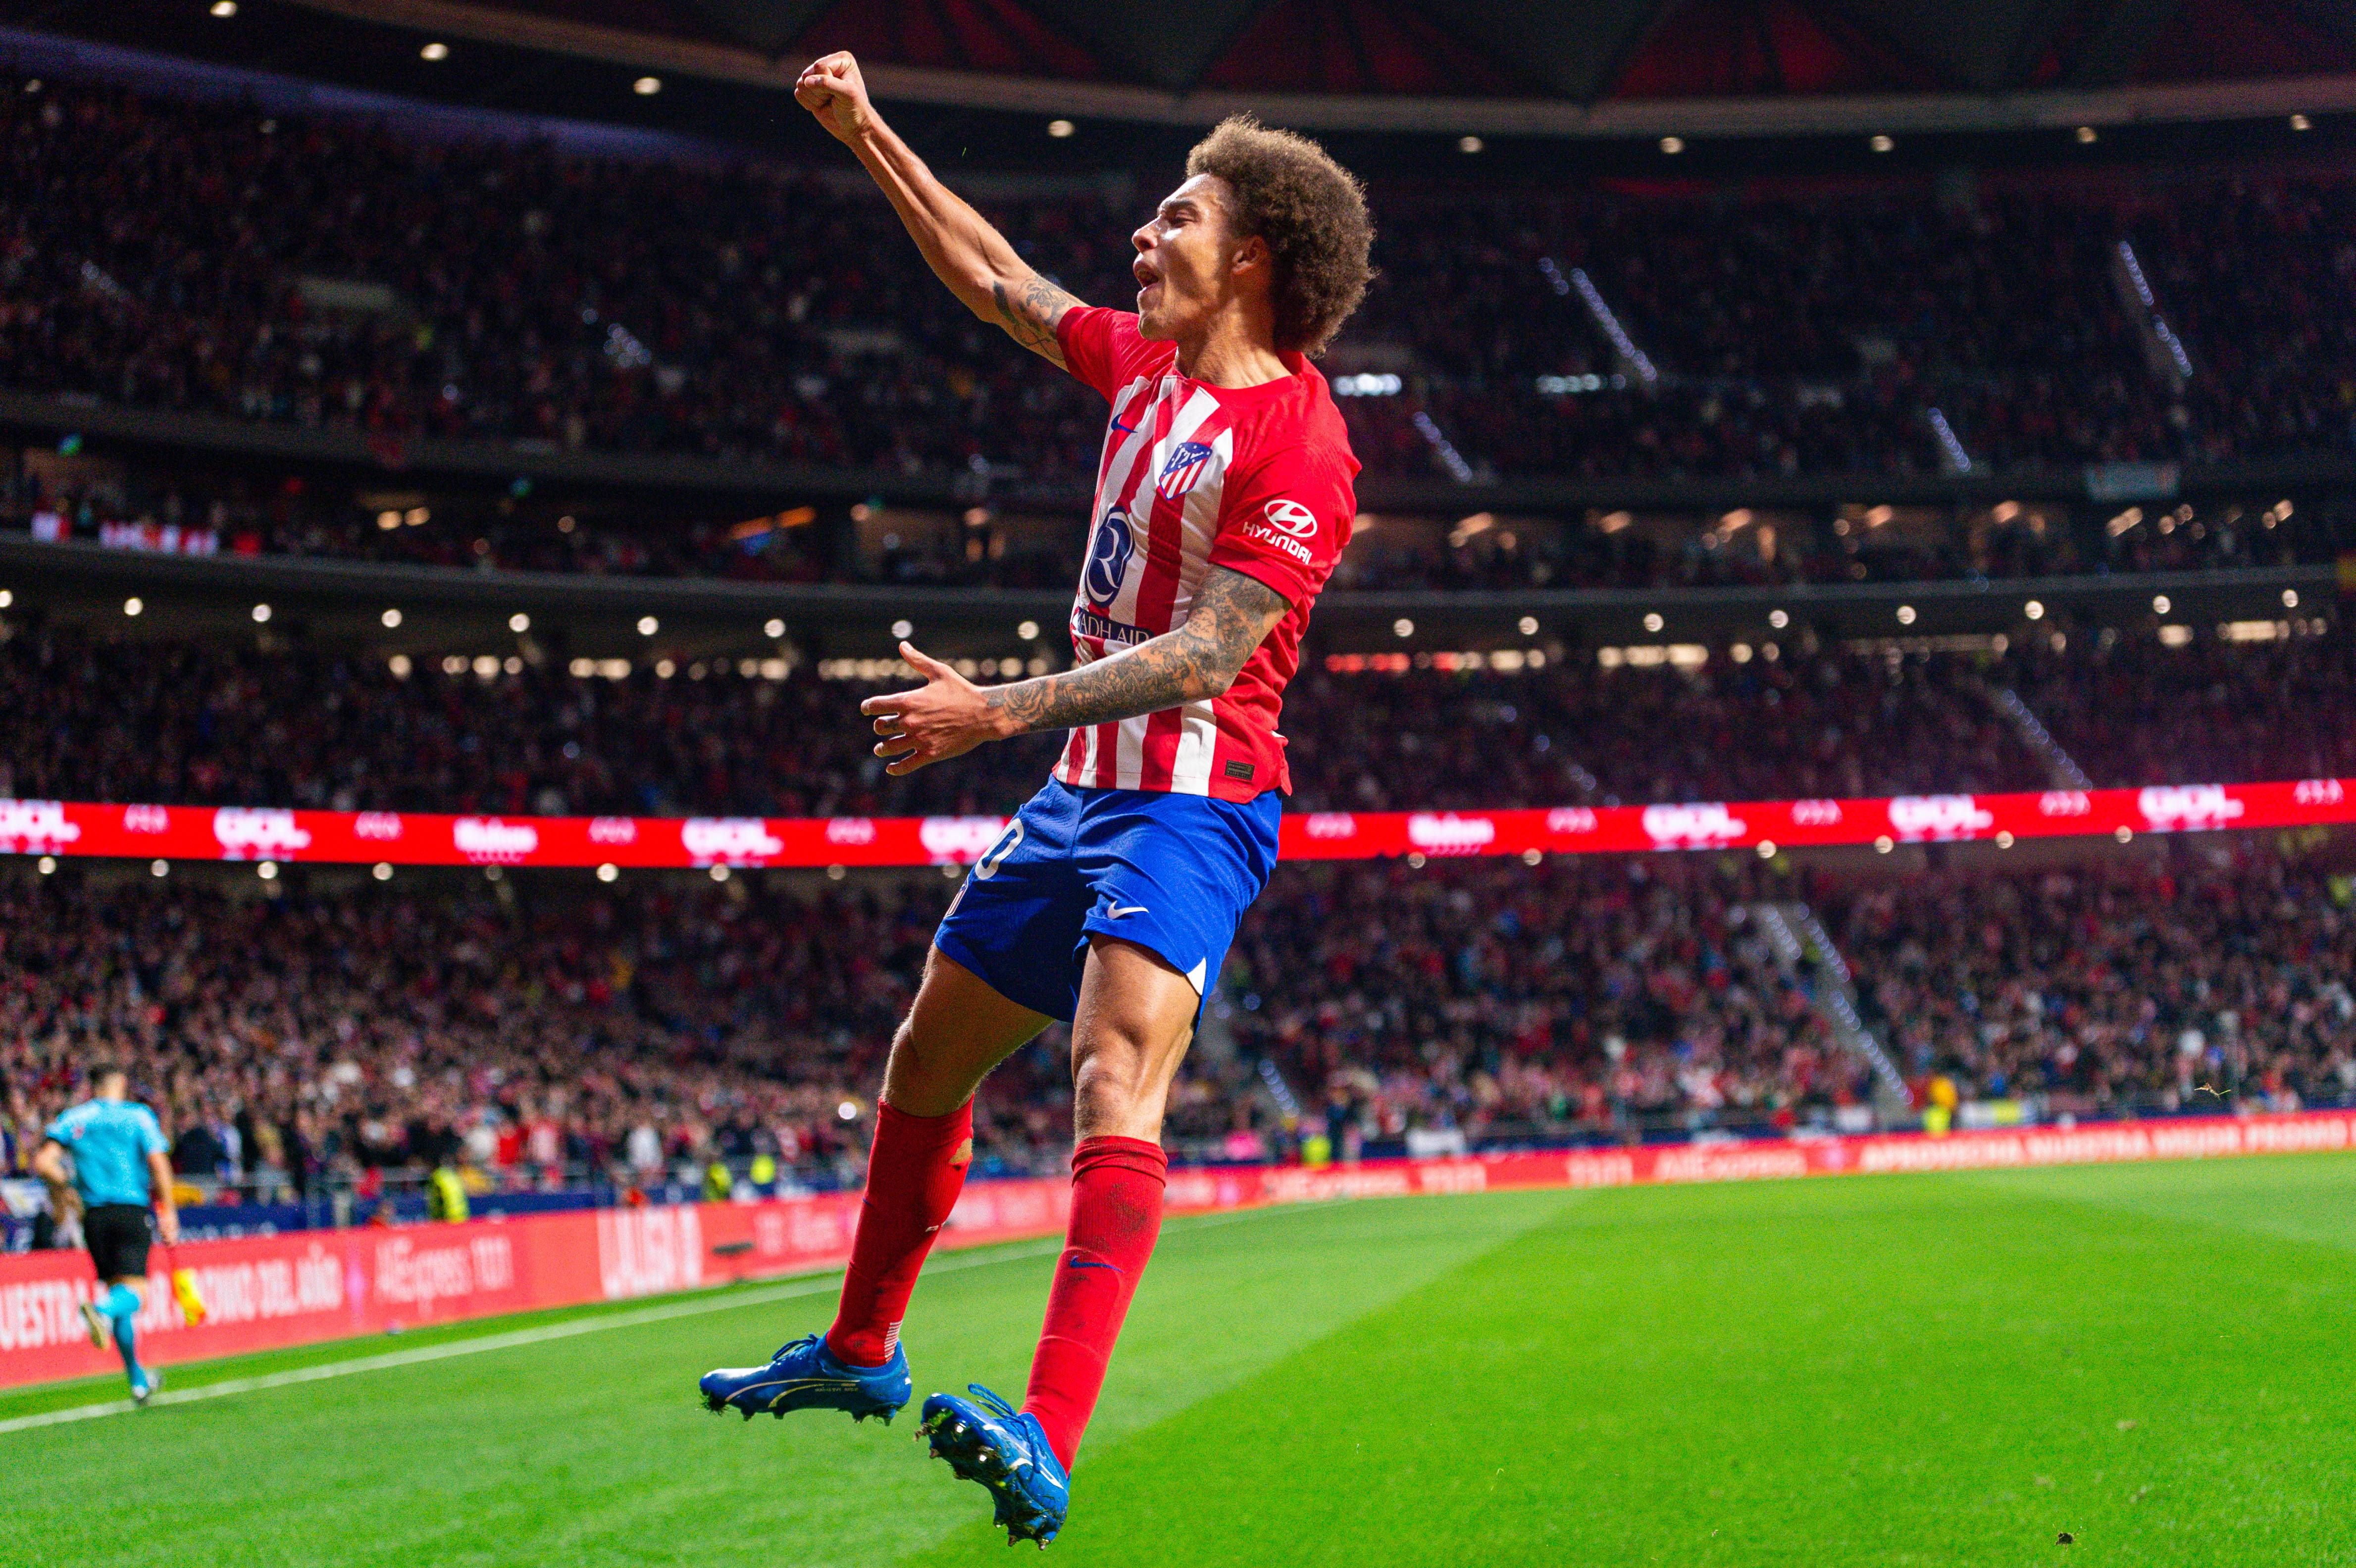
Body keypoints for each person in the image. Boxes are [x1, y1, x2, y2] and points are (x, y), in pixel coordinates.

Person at [698, 51, 1372, 1546]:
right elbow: (994, 275)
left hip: (1193, 800)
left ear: (1250, 256)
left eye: (1174, 218)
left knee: (1105, 1065)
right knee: (924, 1059)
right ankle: (863, 1350)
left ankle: (1046, 1434)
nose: (1141, 240)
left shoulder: (1301, 445)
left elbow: (1208, 651)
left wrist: (993, 705)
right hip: (1079, 789)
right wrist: (862, 128)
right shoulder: (1143, 369)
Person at [31, 1062, 179, 1404]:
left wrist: (67, 1186)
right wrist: (169, 1210)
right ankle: (100, 1311)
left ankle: (138, 1380)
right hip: (130, 1210)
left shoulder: (75, 1118)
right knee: (136, 1292)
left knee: (120, 1293)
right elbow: (159, 1163)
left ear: (93, 1086)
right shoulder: (138, 1116)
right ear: (122, 1083)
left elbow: (43, 1162)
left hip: (93, 1217)